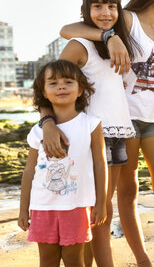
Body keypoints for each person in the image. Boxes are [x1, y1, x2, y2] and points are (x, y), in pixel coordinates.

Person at [59, 0, 154, 267]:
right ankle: (142, 260)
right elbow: (69, 31)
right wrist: (111, 36)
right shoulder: (125, 18)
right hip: (120, 121)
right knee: (122, 193)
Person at [42, 0, 136, 266]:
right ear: (86, 10)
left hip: (118, 133)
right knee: (98, 212)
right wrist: (47, 123)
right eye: (97, 6)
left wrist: (112, 36)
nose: (105, 12)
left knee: (102, 212)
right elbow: (48, 86)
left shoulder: (118, 39)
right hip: (93, 137)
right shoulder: (79, 44)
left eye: (111, 6)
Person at [18, 60, 107, 267]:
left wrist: (102, 202)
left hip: (76, 206)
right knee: (47, 260)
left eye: (68, 82)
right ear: (43, 92)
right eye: (53, 83)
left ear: (80, 90)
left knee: (74, 260)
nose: (61, 86)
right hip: (42, 207)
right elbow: (29, 171)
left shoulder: (91, 124)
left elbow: (100, 163)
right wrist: (23, 209)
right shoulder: (37, 131)